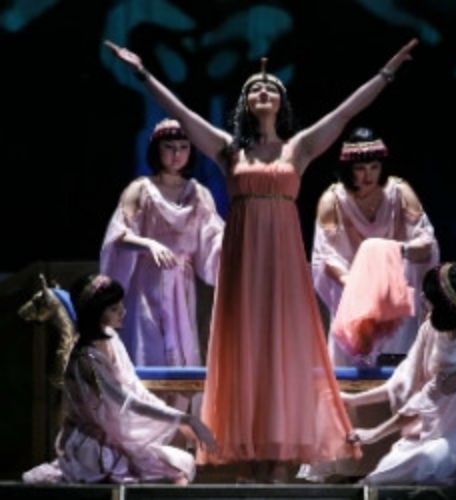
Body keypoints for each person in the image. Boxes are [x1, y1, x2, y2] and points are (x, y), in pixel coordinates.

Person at [104, 36, 418, 482]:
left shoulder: (298, 149)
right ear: (246, 103)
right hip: (244, 265)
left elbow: (345, 112)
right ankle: (251, 462)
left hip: (283, 265)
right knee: (246, 353)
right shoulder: (228, 150)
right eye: (254, 88)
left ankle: (279, 462)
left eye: (270, 87)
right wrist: (143, 74)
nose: (262, 90)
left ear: (281, 101)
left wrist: (385, 75)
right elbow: (185, 114)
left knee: (282, 354)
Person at [22, 273, 217, 485]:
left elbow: (135, 388)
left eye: (120, 305)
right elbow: (126, 401)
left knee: (181, 464)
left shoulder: (110, 336)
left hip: (116, 435)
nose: (123, 311)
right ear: (96, 312)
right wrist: (184, 419)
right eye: (114, 309)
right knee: (160, 474)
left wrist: (178, 419)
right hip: (93, 445)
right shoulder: (86, 358)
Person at [100, 118, 224, 412]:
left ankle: (177, 430)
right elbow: (117, 236)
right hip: (147, 284)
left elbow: (214, 240)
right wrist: (149, 244)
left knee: (181, 355)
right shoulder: (140, 190)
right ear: (157, 150)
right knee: (147, 349)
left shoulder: (198, 194)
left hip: (180, 286)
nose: (177, 154)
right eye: (169, 147)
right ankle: (144, 428)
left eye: (183, 147)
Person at [340, 263, 456, 484]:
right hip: (446, 417)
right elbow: (404, 379)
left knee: (428, 462)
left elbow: (425, 400)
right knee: (394, 464)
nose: (422, 297)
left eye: (429, 296)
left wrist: (374, 434)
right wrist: (353, 400)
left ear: (444, 307)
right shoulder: (432, 327)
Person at [312, 126, 439, 367]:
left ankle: (400, 372)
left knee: (401, 288)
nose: (367, 175)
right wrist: (356, 284)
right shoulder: (333, 200)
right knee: (353, 309)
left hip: (395, 281)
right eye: (360, 168)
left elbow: (426, 243)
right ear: (349, 169)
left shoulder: (400, 193)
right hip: (350, 283)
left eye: (374, 167)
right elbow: (326, 256)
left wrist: (391, 252)